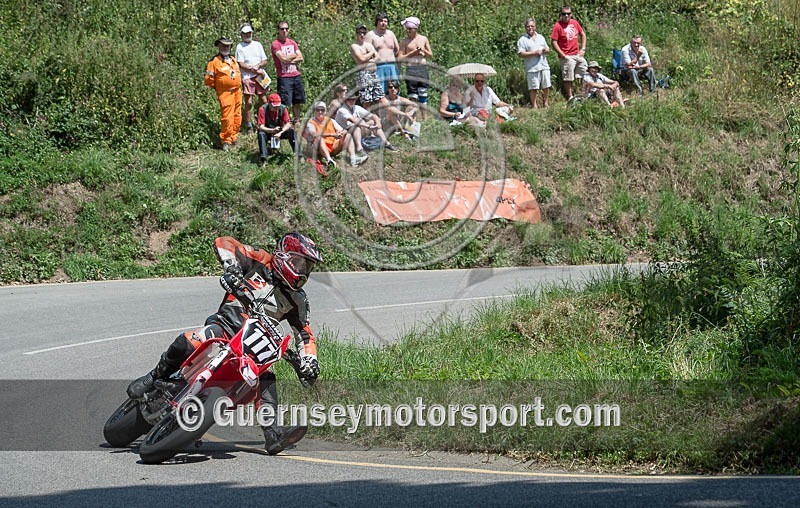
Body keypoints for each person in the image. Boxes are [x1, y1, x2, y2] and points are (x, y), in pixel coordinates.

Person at [127, 233, 323, 455]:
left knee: (267, 377)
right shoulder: (260, 260)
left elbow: (304, 334)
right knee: (188, 341)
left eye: (308, 267)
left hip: (254, 347)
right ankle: (153, 377)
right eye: (299, 262)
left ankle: (274, 433)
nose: (303, 271)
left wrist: (309, 361)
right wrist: (231, 268)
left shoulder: (298, 300)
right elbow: (225, 242)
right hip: (225, 327)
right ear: (283, 255)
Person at [205, 36, 242, 150]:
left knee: (237, 115)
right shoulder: (214, 62)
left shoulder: (233, 59)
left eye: (228, 45)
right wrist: (219, 88)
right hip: (225, 93)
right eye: (223, 45)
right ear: (219, 46)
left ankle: (233, 137)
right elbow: (209, 80)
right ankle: (226, 140)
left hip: (237, 91)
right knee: (227, 117)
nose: (226, 47)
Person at [305, 101, 367, 167]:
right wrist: (332, 134)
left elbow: (343, 130)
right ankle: (329, 160)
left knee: (347, 135)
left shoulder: (330, 120)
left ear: (325, 111)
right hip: (318, 149)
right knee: (319, 138)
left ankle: (353, 159)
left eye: (322, 110)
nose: (320, 112)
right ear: (314, 111)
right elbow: (314, 134)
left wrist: (341, 133)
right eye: (318, 110)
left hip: (332, 146)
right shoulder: (311, 122)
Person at [236, 24, 270, 131]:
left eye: (249, 33)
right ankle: (248, 124)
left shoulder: (257, 45)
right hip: (247, 76)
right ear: (241, 34)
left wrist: (258, 66)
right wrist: (251, 69)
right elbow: (240, 63)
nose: (248, 35)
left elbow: (264, 60)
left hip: (260, 74)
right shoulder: (240, 47)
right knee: (249, 102)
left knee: (264, 100)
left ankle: (263, 122)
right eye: (245, 33)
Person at [550, 5, 587, 102]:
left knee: (584, 70)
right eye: (564, 14)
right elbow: (553, 41)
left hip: (577, 54)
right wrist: (562, 54)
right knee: (568, 76)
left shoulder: (574, 23)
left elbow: (582, 34)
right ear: (561, 15)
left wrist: (583, 48)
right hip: (566, 56)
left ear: (571, 14)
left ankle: (582, 93)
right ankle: (570, 97)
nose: (566, 16)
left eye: (568, 14)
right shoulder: (558, 26)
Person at [271, 21, 306, 122]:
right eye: (282, 29)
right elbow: (283, 59)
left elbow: (301, 57)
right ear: (278, 30)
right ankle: (284, 121)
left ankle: (297, 120)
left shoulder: (292, 42)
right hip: (284, 76)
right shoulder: (275, 44)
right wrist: (294, 56)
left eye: (286, 29)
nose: (284, 31)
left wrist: (289, 59)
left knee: (297, 100)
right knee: (285, 102)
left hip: (296, 75)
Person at [398, 16, 432, 119]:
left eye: (410, 29)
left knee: (423, 94)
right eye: (407, 29)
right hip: (411, 69)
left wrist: (423, 51)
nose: (408, 31)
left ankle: (425, 118)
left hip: (422, 68)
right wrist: (413, 52)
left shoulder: (423, 39)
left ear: (415, 29)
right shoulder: (404, 42)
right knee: (412, 95)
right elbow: (400, 58)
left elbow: (430, 55)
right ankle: (413, 117)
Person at [350, 24, 386, 110]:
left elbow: (378, 57)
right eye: (359, 33)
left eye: (363, 33)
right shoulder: (354, 46)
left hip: (374, 73)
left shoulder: (369, 45)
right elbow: (361, 59)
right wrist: (371, 53)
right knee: (367, 101)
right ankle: (366, 120)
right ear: (356, 34)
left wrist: (370, 59)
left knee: (381, 98)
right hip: (363, 74)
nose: (362, 35)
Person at [517, 18, 551, 109]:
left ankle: (546, 103)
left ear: (535, 27)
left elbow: (547, 48)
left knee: (546, 85)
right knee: (533, 87)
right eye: (528, 26)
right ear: (525, 28)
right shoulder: (522, 40)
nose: (530, 28)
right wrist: (534, 53)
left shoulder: (541, 37)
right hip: (532, 67)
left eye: (532, 26)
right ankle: (534, 106)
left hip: (544, 65)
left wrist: (546, 50)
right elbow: (521, 54)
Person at [364, 12, 400, 93]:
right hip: (378, 67)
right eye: (381, 21)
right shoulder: (371, 35)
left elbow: (397, 50)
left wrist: (398, 66)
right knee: (379, 92)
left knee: (394, 91)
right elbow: (365, 53)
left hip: (392, 67)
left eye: (385, 21)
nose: (383, 23)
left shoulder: (391, 34)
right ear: (377, 22)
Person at [257, 93, 296, 163]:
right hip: (268, 131)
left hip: (280, 131)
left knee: (291, 131)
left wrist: (280, 132)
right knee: (261, 134)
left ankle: (297, 153)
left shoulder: (283, 108)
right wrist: (272, 130)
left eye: (278, 106)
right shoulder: (262, 109)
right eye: (274, 106)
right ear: (269, 103)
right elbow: (260, 126)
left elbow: (289, 123)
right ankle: (263, 158)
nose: (277, 108)